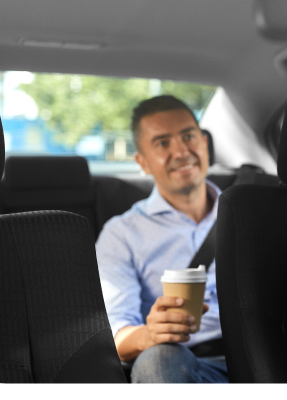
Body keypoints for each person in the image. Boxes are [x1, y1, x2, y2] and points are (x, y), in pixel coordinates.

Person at [96, 95, 228, 383]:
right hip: (185, 364)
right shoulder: (121, 234)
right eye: (163, 143)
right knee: (158, 360)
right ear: (142, 162)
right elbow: (115, 337)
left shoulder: (249, 214)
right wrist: (150, 334)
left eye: (189, 136)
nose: (181, 151)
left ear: (205, 144)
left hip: (260, 356)